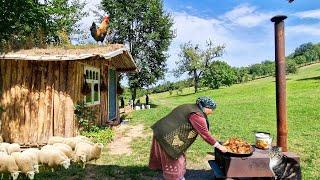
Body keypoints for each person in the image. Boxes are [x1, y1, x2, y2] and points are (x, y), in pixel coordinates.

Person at [148, 96, 227, 180]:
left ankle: (176, 175)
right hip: (167, 136)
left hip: (161, 130)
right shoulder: (197, 115)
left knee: (173, 156)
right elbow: (205, 135)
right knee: (173, 157)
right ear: (206, 107)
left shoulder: (190, 107)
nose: (212, 112)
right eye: (212, 109)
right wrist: (219, 146)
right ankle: (175, 177)